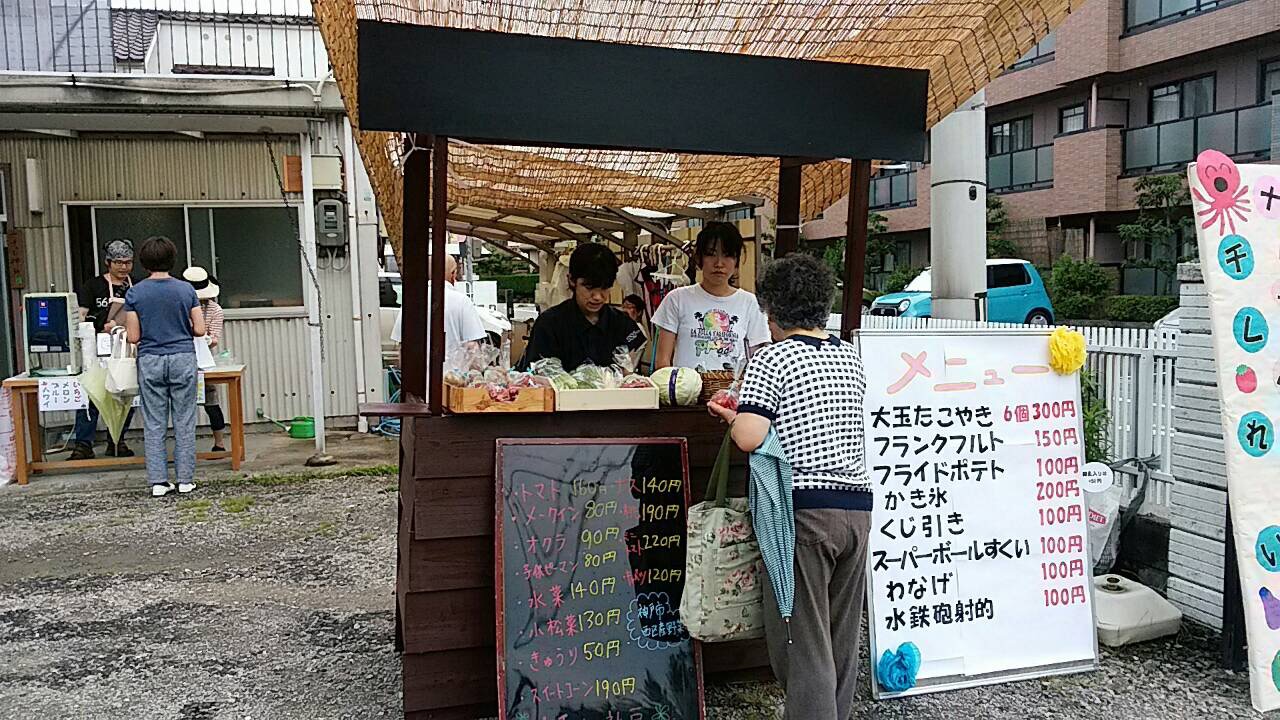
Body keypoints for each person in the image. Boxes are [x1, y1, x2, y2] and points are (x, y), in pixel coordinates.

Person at [707, 253, 871, 720]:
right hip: (856, 511)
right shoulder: (848, 355)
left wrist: (730, 414)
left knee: (803, 639)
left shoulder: (772, 358)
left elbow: (749, 436)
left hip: (804, 513)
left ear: (771, 311)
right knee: (840, 636)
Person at [124, 237, 206, 498]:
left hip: (150, 359)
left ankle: (159, 482)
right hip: (182, 356)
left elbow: (133, 337)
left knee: (154, 422)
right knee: (184, 420)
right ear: (172, 259)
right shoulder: (186, 290)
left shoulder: (135, 292)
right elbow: (201, 329)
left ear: (144, 262)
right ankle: (184, 480)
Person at [652, 221, 769, 371]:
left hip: (733, 393)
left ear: (736, 261)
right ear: (699, 259)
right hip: (686, 393)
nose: (719, 263)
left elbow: (758, 360)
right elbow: (662, 362)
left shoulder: (751, 303)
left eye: (728, 255)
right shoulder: (677, 299)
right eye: (711, 254)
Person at [520, 243, 644, 371]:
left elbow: (629, 368)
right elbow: (536, 374)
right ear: (571, 280)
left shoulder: (622, 323)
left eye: (605, 288)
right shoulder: (549, 324)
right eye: (589, 288)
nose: (597, 297)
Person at [71, 238, 137, 459]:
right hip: (96, 349)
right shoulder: (93, 286)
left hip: (127, 349)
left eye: (127, 262)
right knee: (91, 393)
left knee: (125, 393)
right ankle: (83, 444)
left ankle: (117, 439)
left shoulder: (136, 286)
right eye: (118, 262)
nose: (123, 267)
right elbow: (80, 314)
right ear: (108, 262)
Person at [390, 254, 487, 368]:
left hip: (418, 379)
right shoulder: (462, 302)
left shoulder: (412, 301)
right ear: (453, 274)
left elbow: (402, 346)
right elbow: (472, 347)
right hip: (453, 379)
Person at [183, 266, 226, 452]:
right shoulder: (178, 305)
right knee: (182, 404)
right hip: (180, 357)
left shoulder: (215, 310)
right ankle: (184, 445)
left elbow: (214, 338)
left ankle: (220, 443)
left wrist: (208, 339)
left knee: (211, 401)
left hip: (203, 359)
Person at [620, 293, 653, 374]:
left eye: (629, 307)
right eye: (623, 307)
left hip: (626, 373)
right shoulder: (623, 327)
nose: (624, 310)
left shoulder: (638, 330)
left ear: (639, 312)